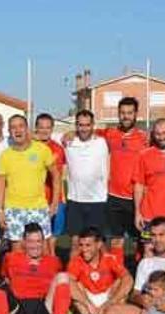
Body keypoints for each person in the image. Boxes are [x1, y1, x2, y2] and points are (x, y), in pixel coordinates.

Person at [0, 223, 70, 314]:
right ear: (24, 243)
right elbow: (5, 278)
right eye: (30, 241)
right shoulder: (10, 258)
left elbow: (61, 287)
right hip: (17, 311)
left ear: (43, 243)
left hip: (43, 310)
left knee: (63, 277)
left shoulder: (54, 261)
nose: (34, 245)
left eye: (38, 241)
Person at [0, 114, 60, 250]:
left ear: (27, 129)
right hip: (14, 210)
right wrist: (0, 211)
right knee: (17, 253)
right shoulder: (5, 155)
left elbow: (56, 176)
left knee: (43, 251)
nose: (17, 130)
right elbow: (1, 185)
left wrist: (54, 203)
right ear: (9, 131)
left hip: (38, 208)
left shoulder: (42, 150)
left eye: (21, 126)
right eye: (13, 127)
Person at [64, 227, 133, 314]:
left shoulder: (110, 258)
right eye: (81, 245)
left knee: (120, 282)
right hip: (89, 301)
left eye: (88, 245)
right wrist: (88, 304)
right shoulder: (76, 260)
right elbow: (69, 282)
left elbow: (128, 280)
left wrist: (110, 301)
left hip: (107, 298)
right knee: (74, 285)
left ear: (99, 244)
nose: (84, 249)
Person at [98, 97, 149, 265]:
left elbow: (164, 143)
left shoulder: (144, 138)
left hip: (136, 197)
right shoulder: (110, 134)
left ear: (135, 114)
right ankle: (118, 276)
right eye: (122, 113)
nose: (126, 116)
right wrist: (71, 133)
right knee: (116, 241)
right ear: (118, 114)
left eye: (129, 113)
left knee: (139, 240)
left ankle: (138, 273)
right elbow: (88, 131)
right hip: (113, 196)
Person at [63, 110, 109, 249]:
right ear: (76, 125)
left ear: (93, 125)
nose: (84, 128)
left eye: (87, 125)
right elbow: (41, 134)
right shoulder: (68, 141)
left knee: (98, 243)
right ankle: (74, 271)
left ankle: (103, 271)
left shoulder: (102, 142)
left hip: (97, 200)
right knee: (76, 243)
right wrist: (68, 134)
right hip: (75, 200)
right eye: (80, 125)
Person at [133, 118, 165, 232]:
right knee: (148, 249)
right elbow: (139, 185)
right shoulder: (144, 155)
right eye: (158, 134)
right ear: (153, 134)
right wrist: (137, 212)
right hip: (150, 216)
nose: (161, 137)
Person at [35, 113, 67, 252]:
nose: (44, 130)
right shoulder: (30, 147)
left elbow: (60, 176)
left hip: (55, 199)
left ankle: (52, 265)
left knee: (53, 238)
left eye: (48, 127)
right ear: (36, 128)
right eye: (41, 127)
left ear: (52, 129)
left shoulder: (58, 149)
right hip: (36, 200)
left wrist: (60, 199)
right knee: (38, 238)